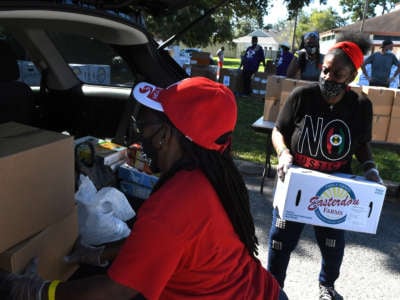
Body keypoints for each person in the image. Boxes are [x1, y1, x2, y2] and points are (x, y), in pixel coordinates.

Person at [0, 77, 287, 300]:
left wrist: (38, 292)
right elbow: (164, 243)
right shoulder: (207, 175)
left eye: (145, 124)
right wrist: (101, 254)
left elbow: (114, 292)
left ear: (165, 135)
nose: (140, 132)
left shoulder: (177, 202)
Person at [267, 32, 384, 300]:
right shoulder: (302, 96)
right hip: (297, 183)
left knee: (332, 245)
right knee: (280, 240)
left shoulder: (360, 105)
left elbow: (361, 144)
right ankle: (272, 289)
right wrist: (284, 153)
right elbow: (278, 130)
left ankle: (327, 287)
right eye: (325, 70)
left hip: (334, 188)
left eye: (337, 74)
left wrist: (370, 168)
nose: (328, 78)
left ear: (351, 77)